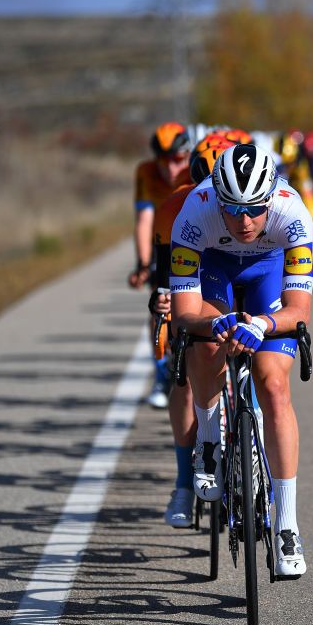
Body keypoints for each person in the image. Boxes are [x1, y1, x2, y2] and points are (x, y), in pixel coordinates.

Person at [170, 142, 313, 577]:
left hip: (268, 269)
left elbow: (298, 312)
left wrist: (263, 326)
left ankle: (286, 523)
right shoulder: (194, 214)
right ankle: (209, 439)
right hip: (215, 267)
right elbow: (184, 316)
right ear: (217, 197)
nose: (245, 221)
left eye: (254, 209)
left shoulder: (293, 214)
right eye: (233, 209)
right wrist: (214, 325)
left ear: (272, 197)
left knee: (272, 384)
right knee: (206, 345)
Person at [157, 132, 238, 528]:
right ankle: (184, 483)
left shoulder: (250, 209)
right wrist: (162, 310)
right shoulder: (177, 208)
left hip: (240, 277)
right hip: (194, 284)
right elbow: (163, 279)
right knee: (185, 375)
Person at [130, 121, 192, 409]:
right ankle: (160, 371)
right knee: (159, 304)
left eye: (177, 160)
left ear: (188, 154)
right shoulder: (145, 172)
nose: (170, 169)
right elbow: (143, 221)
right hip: (162, 240)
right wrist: (143, 264)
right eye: (163, 161)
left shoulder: (197, 168)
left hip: (194, 238)